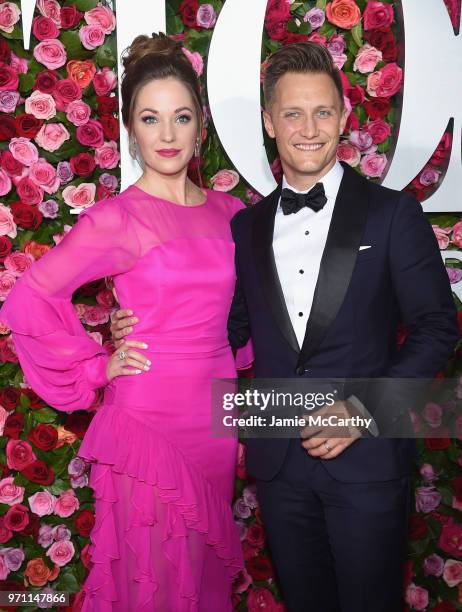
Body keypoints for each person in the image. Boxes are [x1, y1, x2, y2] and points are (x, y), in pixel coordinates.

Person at [113, 41, 458, 612]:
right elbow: (228, 326)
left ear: (344, 118)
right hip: (279, 469)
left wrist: (363, 408)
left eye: (322, 111)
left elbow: (436, 329)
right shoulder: (245, 227)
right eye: (292, 113)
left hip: (367, 464)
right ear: (270, 123)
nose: (309, 128)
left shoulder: (392, 214)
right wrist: (143, 323)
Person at [1, 33, 248, 612]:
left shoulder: (231, 213)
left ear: (199, 126)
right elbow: (28, 299)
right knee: (154, 575)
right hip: (148, 418)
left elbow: (253, 311)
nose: (167, 134)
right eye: (150, 118)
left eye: (180, 117)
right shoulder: (117, 220)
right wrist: (96, 362)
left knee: (202, 571)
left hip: (218, 415)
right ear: (132, 131)